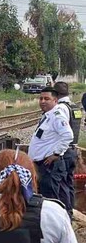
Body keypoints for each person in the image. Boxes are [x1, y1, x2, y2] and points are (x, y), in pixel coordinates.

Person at [28, 87, 73, 215]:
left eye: (47, 99)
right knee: (52, 197)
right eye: (41, 98)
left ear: (55, 100)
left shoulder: (57, 116)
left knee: (50, 200)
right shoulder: (48, 116)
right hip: (43, 165)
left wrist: (56, 154)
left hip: (50, 166)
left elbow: (68, 135)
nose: (42, 101)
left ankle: (54, 226)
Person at [54, 82, 80, 218]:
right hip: (73, 150)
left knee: (62, 184)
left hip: (64, 151)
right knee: (69, 184)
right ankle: (70, 211)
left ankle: (66, 214)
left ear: (56, 94)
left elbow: (64, 132)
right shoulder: (75, 107)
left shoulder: (61, 108)